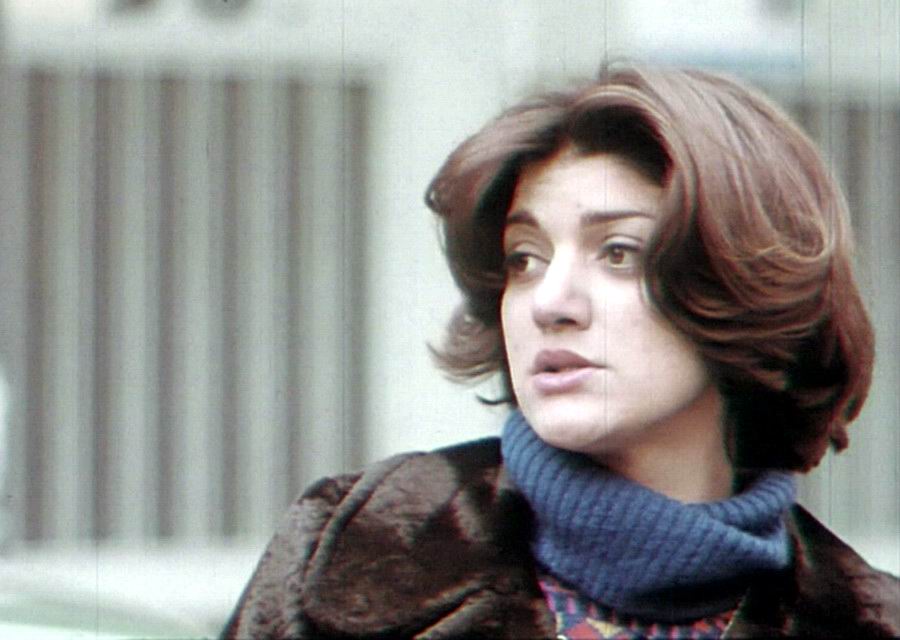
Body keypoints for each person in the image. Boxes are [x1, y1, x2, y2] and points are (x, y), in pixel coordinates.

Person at [221, 65, 900, 639]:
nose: (550, 302)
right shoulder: (354, 550)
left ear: (741, 285)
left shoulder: (865, 619)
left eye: (618, 253)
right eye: (525, 258)